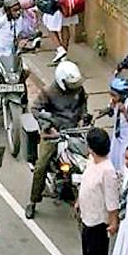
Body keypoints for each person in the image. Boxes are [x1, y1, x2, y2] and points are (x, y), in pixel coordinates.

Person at [25, 60, 89, 218]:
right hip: (55, 134)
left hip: (74, 131)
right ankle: (33, 201)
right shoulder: (49, 91)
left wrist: (84, 119)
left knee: (88, 160)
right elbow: (35, 109)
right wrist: (48, 127)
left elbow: (83, 106)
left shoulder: (78, 89)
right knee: (41, 166)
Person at [73, 127, 119, 255]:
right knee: (87, 250)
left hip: (99, 221)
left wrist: (113, 222)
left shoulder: (108, 171)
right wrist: (79, 201)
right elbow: (85, 183)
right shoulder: (92, 161)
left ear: (92, 147)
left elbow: (112, 200)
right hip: (87, 215)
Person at [107, 76, 128, 172]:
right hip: (116, 139)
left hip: (127, 140)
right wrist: (110, 108)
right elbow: (111, 114)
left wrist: (125, 113)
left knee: (124, 167)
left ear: (122, 95)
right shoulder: (114, 102)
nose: (112, 97)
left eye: (114, 95)